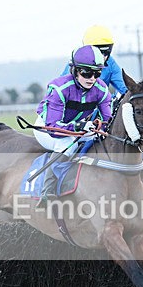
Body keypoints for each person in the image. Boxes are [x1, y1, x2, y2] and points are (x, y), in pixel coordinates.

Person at [34, 45, 113, 208]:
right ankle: (47, 190)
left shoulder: (102, 90)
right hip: (48, 127)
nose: (92, 78)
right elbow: (54, 128)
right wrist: (79, 127)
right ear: (75, 70)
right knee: (65, 143)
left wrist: (100, 128)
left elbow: (107, 122)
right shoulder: (59, 88)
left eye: (97, 73)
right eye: (86, 73)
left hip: (80, 128)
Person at [61, 25, 127, 97]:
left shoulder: (110, 63)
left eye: (106, 53)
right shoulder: (75, 63)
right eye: (99, 52)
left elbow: (124, 87)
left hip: (100, 104)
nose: (103, 57)